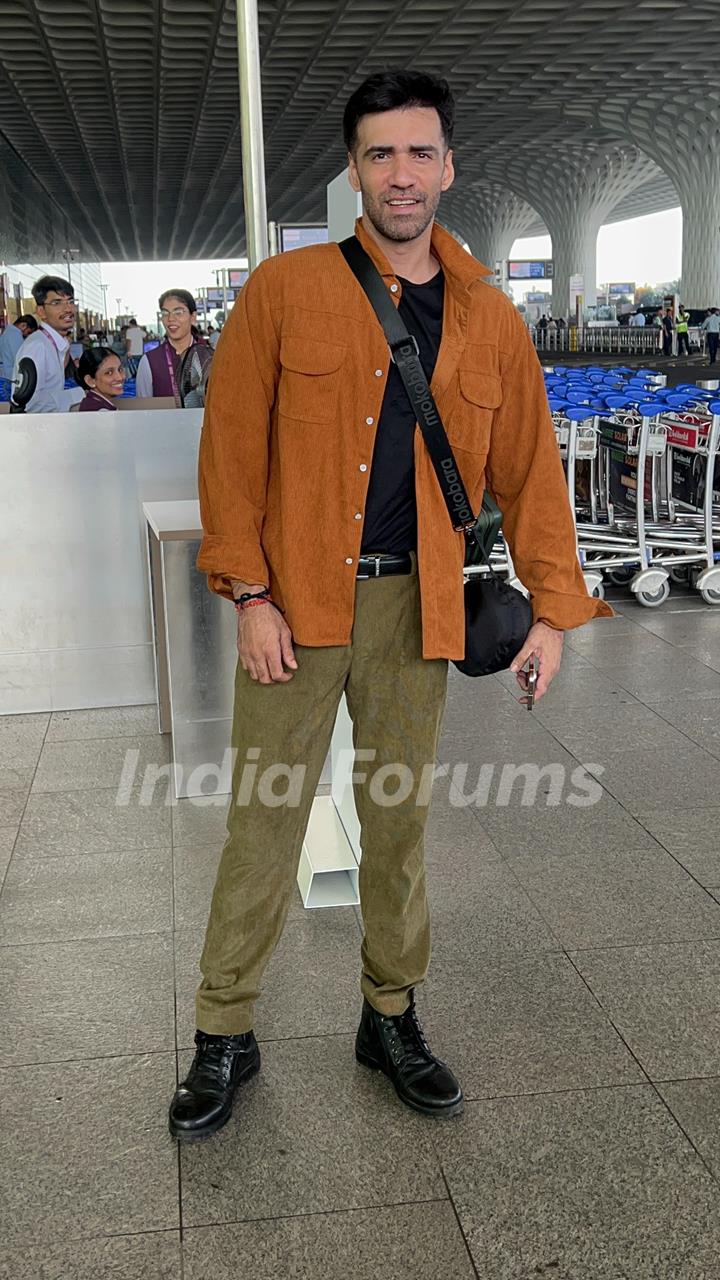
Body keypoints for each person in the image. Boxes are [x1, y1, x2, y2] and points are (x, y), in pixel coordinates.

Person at [167, 68, 611, 1144]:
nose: (401, 174)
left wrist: (552, 612)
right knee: (264, 818)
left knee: (398, 823)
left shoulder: (491, 319)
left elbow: (531, 475)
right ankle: (224, 1030)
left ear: (448, 168)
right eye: (380, 154)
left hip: (421, 612)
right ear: (355, 171)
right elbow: (230, 455)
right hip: (298, 603)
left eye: (420, 153)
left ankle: (391, 1015)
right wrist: (249, 592)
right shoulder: (285, 291)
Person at [12, 276, 84, 413]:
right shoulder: (37, 346)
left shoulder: (53, 344)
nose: (68, 309)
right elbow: (31, 404)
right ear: (41, 311)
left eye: (70, 301)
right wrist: (82, 394)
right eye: (57, 303)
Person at [135, 289, 201, 398]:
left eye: (178, 312)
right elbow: (144, 409)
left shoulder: (210, 357)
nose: (170, 319)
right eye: (165, 313)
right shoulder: (149, 362)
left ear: (193, 317)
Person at [0, 314, 37, 379]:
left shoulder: (8, 331)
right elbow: (21, 358)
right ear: (23, 325)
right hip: (11, 376)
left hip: (5, 374)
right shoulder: (15, 334)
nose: (27, 336)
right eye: (28, 332)